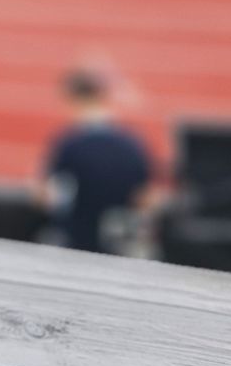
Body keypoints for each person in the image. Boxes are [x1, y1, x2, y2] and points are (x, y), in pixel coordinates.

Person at [35, 68, 159, 255]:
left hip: (76, 243)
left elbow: (46, 198)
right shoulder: (133, 143)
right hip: (119, 245)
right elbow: (147, 199)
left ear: (73, 98)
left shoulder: (69, 144)